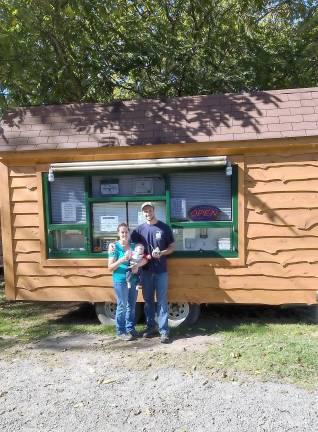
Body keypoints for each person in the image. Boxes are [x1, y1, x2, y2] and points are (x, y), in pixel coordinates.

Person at [131, 202, 175, 344]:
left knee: (162, 301)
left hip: (161, 271)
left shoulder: (164, 228)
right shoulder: (139, 230)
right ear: (142, 213)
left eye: (149, 210)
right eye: (145, 211)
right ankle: (151, 328)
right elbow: (128, 244)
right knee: (148, 301)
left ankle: (164, 331)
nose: (147, 213)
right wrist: (114, 246)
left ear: (154, 210)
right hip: (145, 272)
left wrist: (162, 252)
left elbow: (172, 247)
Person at [108, 223, 147, 341]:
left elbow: (144, 259)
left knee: (132, 305)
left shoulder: (134, 246)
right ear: (118, 234)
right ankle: (120, 331)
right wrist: (121, 260)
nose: (124, 234)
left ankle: (130, 328)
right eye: (122, 232)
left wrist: (138, 265)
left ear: (129, 233)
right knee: (122, 305)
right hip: (120, 280)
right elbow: (110, 267)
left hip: (133, 280)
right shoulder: (114, 247)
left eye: (126, 232)